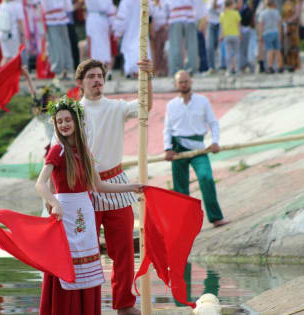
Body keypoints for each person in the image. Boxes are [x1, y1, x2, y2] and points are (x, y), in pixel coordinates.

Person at [36, 96, 143, 315]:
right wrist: (54, 203)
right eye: (59, 121)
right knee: (68, 263)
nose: (64, 124)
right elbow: (40, 184)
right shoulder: (57, 150)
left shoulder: (85, 153)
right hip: (65, 212)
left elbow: (99, 186)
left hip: (85, 209)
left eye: (68, 120)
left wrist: (132, 187)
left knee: (86, 266)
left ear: (76, 122)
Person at [75, 58, 153, 315]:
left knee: (124, 252)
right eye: (91, 77)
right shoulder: (73, 113)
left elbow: (145, 107)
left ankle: (124, 304)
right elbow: (59, 150)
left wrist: (147, 77)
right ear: (81, 83)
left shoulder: (116, 107)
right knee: (86, 252)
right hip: (85, 187)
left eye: (100, 76)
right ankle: (87, 306)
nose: (97, 81)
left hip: (117, 183)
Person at [163, 70, 229, 228]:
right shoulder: (171, 105)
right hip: (178, 149)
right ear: (176, 85)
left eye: (186, 81)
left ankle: (216, 217)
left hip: (199, 149)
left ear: (191, 82)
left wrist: (215, 142)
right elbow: (167, 129)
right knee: (180, 188)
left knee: (206, 177)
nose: (184, 84)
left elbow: (213, 123)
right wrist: (167, 148)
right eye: (181, 82)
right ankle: (184, 223)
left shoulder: (202, 101)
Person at [40, 0, 74, 80]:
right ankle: (67, 68)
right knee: (64, 44)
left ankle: (60, 70)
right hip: (60, 15)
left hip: (53, 17)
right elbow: (68, 6)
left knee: (56, 44)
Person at [164, 0, 198, 76]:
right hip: (189, 16)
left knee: (175, 46)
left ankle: (176, 71)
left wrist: (166, 19)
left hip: (175, 16)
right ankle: (191, 69)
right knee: (191, 46)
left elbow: (165, 6)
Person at [0, 0, 25, 67]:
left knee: (5, 57)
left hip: (2, 34)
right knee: (13, 57)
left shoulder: (1, 5)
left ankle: (2, 75)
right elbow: (20, 22)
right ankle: (10, 75)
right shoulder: (17, 5)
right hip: (12, 35)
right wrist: (23, 34)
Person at [259, 0, 284, 73]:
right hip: (275, 32)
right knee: (277, 50)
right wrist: (280, 33)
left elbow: (261, 24)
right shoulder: (276, 12)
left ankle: (270, 66)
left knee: (269, 50)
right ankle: (280, 66)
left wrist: (260, 35)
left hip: (267, 33)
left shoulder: (263, 13)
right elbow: (279, 23)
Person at [220, 0, 242, 75]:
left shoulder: (222, 14)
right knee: (237, 53)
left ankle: (229, 70)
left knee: (228, 54)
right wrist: (240, 34)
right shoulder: (236, 13)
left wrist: (222, 35)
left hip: (227, 35)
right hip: (235, 35)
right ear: (231, 5)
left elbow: (222, 26)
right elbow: (238, 24)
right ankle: (237, 70)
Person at [281, 0, 302, 72]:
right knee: (287, 45)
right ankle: (287, 63)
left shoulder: (296, 3)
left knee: (293, 46)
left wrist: (288, 21)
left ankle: (294, 64)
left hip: (293, 27)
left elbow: (297, 14)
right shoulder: (286, 2)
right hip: (285, 27)